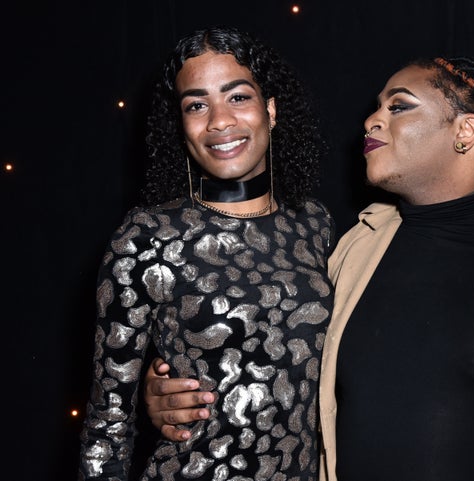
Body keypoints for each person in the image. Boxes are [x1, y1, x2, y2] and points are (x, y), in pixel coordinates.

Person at [144, 57, 474, 480]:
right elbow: (275, 366)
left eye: (399, 106)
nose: (371, 120)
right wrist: (172, 390)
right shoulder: (349, 249)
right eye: (375, 108)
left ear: (466, 132)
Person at [78, 26, 335, 481]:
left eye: (237, 97)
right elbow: (108, 423)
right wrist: (151, 399)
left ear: (270, 110)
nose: (218, 120)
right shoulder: (146, 237)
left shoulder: (316, 223)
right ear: (180, 126)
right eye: (196, 105)